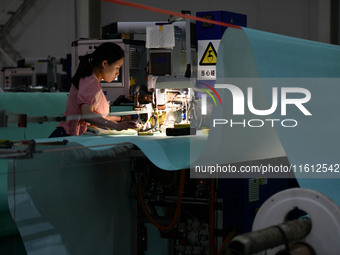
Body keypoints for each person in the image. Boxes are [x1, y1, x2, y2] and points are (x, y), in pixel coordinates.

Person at [49, 42, 136, 137]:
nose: (117, 73)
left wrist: (121, 119)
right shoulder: (90, 82)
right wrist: (116, 126)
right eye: (117, 68)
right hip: (66, 137)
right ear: (104, 64)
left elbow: (98, 117)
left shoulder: (91, 81)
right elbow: (87, 115)